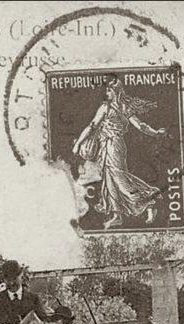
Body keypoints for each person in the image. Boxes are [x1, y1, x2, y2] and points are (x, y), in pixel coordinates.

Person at [72, 75, 167, 230]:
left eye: (109, 90)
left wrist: (155, 133)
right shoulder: (105, 107)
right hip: (104, 145)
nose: (106, 93)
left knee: (119, 177)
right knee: (108, 177)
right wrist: (78, 143)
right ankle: (117, 215)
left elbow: (140, 125)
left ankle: (149, 202)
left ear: (115, 92)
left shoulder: (122, 107)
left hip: (115, 145)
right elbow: (92, 126)